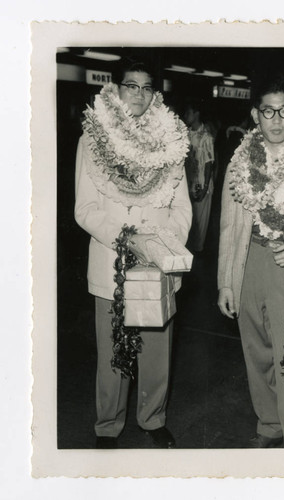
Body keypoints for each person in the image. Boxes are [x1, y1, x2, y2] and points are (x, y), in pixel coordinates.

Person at [74, 60, 192, 449]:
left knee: (157, 352)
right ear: (116, 90)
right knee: (112, 353)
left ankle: (153, 418)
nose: (138, 94)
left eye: (146, 87)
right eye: (131, 86)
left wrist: (159, 243)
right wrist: (128, 240)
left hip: (157, 265)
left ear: (155, 94)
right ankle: (108, 425)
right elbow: (85, 210)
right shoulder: (92, 140)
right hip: (112, 263)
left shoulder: (173, 140)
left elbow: (182, 209)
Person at [217, 74, 284, 448]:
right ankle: (269, 425)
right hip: (250, 260)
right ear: (255, 114)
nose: (276, 120)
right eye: (268, 111)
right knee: (257, 351)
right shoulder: (239, 161)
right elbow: (229, 226)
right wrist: (226, 282)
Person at [184, 100, 215, 253]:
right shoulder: (186, 134)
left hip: (202, 184)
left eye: (189, 112)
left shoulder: (206, 137)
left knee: (200, 225)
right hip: (188, 184)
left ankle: (198, 259)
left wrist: (204, 188)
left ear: (196, 114)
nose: (186, 116)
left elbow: (209, 163)